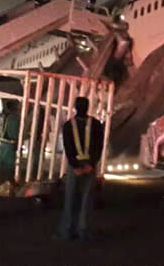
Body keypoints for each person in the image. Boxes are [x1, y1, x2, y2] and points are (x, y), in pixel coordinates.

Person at [57, 97, 104, 240]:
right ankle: (84, 230)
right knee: (86, 199)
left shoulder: (67, 125)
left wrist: (75, 166)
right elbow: (99, 146)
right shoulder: (96, 124)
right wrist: (92, 164)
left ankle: (67, 230)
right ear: (88, 107)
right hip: (90, 164)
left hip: (74, 165)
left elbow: (68, 147)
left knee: (70, 197)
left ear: (75, 107)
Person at [0, 100, 21, 176]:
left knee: (3, 165)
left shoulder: (6, 116)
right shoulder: (14, 118)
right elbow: (13, 132)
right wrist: (17, 141)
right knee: (9, 167)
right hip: (9, 143)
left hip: (4, 142)